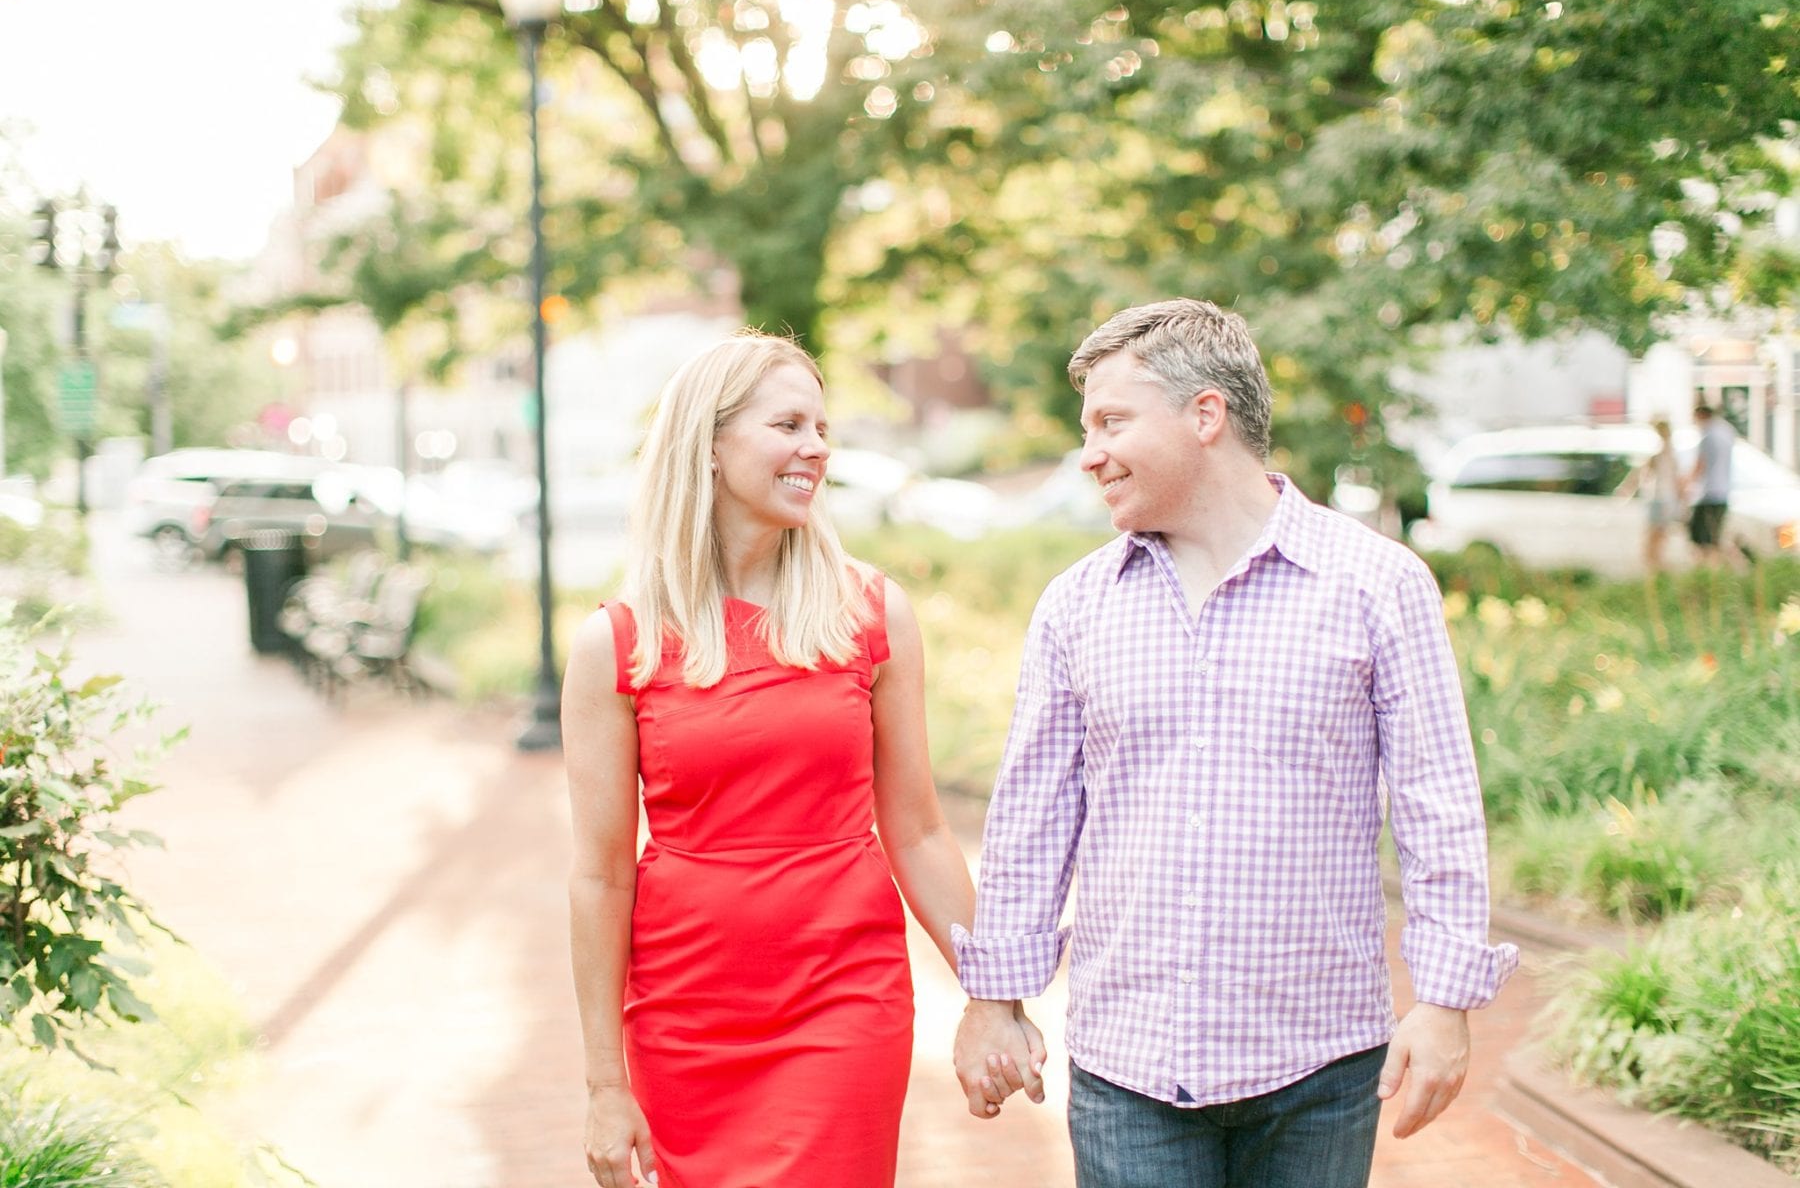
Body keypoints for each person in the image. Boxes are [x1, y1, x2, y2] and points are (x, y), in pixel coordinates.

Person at [951, 299, 1519, 1188]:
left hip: (1319, 1067)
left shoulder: (1378, 586)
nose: (1089, 452)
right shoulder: (1076, 605)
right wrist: (994, 998)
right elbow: (1032, 817)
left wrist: (1445, 1004)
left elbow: (1437, 803)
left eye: (1111, 422)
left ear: (1205, 416)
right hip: (1129, 1067)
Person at [561, 332, 1029, 1188]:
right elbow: (599, 878)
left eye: (822, 426)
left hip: (842, 1001)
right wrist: (603, 1085)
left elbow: (919, 830)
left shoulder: (872, 612)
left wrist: (993, 995)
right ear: (709, 444)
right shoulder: (617, 645)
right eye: (788, 425)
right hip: (685, 1018)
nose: (816, 447)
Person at [1684, 402, 1736, 568]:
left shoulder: (1708, 436)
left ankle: (1709, 572)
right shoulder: (1726, 431)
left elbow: (1700, 465)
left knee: (1702, 540)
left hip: (1708, 493)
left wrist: (1685, 486)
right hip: (1723, 493)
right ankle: (1722, 570)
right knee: (1714, 538)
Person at [1637, 418, 1682, 573]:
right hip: (1661, 498)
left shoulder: (1666, 452)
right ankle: (1653, 563)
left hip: (1663, 498)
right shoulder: (1664, 452)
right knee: (1656, 533)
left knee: (1658, 533)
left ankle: (1655, 563)